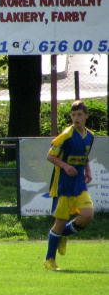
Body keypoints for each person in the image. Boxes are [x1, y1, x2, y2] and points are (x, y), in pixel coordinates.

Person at [44, 100, 95, 271]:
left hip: (79, 183)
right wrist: (65, 166)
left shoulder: (90, 136)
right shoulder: (66, 134)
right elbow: (50, 156)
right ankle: (49, 260)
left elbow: (84, 154)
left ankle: (63, 235)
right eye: (73, 115)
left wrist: (87, 170)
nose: (76, 118)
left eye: (79, 114)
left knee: (88, 215)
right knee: (60, 222)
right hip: (63, 185)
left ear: (86, 115)